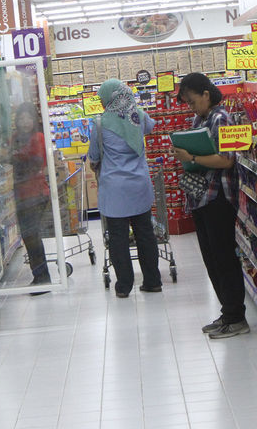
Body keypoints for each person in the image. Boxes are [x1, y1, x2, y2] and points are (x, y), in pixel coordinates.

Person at [171, 73, 247, 338]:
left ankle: (236, 317)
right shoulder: (200, 119)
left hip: (219, 199)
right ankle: (227, 312)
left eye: (193, 101)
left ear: (206, 94)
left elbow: (227, 160)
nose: (191, 108)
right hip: (201, 198)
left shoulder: (222, 118)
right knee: (211, 259)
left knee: (224, 257)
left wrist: (191, 155)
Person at [88, 79, 162, 298]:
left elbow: (94, 156)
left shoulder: (100, 123)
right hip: (139, 185)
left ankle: (124, 286)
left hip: (115, 190)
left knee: (118, 238)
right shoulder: (138, 115)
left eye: (102, 99)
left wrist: (97, 162)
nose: (101, 104)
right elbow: (150, 126)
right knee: (145, 235)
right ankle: (152, 281)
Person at [11, 103, 53, 291]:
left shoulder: (38, 137)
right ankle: (40, 276)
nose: (25, 122)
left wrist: (15, 155)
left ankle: (42, 277)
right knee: (29, 237)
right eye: (21, 118)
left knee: (32, 235)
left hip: (36, 194)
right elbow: (8, 158)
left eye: (28, 118)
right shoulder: (15, 138)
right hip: (21, 194)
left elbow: (37, 160)